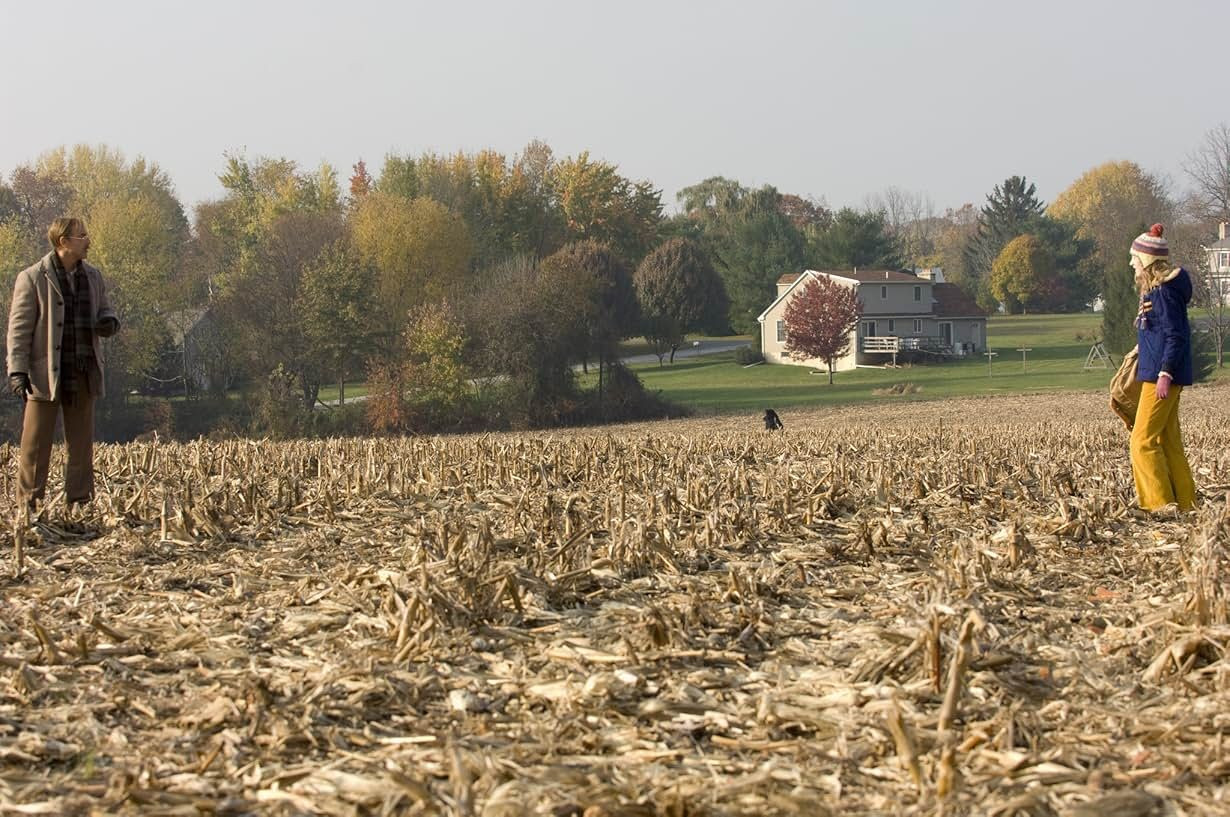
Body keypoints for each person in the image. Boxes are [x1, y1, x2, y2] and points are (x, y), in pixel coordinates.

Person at [7, 217, 119, 517]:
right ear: (63, 242)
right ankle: (28, 509)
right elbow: (18, 330)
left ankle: (80, 505)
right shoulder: (32, 278)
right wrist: (17, 370)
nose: (88, 239)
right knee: (34, 445)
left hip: (83, 370)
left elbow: (105, 308)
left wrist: (108, 321)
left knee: (81, 446)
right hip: (44, 375)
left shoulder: (94, 276)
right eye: (81, 235)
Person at [1129, 223, 1196, 512]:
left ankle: (1158, 506)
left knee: (1141, 441)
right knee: (1169, 441)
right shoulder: (1158, 293)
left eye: (1134, 257)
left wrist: (1165, 373)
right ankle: (1185, 505)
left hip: (1160, 377)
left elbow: (1176, 334)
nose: (1131, 263)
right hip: (1161, 373)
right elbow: (1161, 332)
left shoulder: (1164, 293)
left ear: (1146, 261)